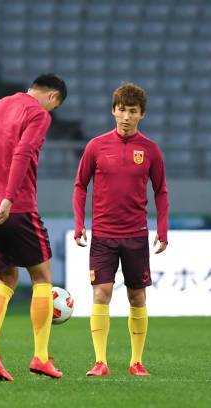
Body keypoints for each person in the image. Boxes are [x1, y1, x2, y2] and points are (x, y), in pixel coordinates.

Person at [0, 73, 67, 381]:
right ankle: (41, 357)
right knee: (43, 277)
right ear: (51, 97)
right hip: (16, 208)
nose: (51, 112)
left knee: (6, 279)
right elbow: (24, 152)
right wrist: (8, 196)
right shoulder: (37, 113)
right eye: (55, 106)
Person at [73, 83, 169, 377]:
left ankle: (136, 362)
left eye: (133, 111)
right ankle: (100, 361)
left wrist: (162, 231)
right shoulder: (96, 146)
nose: (126, 116)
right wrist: (79, 224)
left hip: (136, 235)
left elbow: (161, 191)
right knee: (101, 294)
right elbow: (80, 185)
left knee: (136, 297)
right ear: (113, 110)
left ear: (142, 115)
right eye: (122, 110)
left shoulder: (150, 150)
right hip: (103, 235)